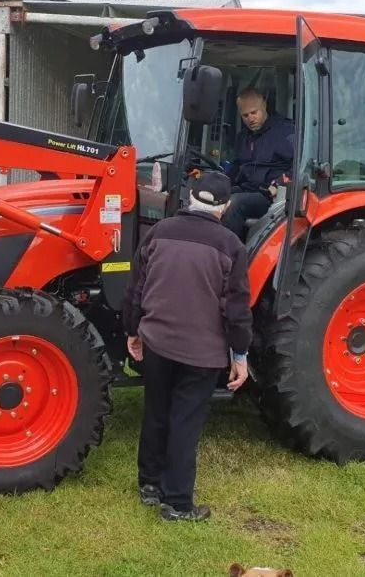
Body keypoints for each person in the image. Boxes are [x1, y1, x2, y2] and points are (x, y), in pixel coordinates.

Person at [122, 170, 253, 522]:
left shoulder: (158, 233)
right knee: (184, 422)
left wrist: (133, 332)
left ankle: (149, 484)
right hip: (201, 355)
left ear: (189, 197)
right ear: (225, 208)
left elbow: (136, 289)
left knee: (156, 411)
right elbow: (237, 311)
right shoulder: (232, 247)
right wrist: (239, 356)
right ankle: (177, 503)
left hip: (158, 344)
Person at [221, 89, 295, 239]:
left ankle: (228, 256)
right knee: (215, 198)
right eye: (245, 115)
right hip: (248, 189)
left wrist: (281, 183)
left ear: (264, 106)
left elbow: (302, 164)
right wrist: (217, 183)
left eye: (254, 113)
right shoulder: (244, 138)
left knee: (234, 203)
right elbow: (235, 167)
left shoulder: (287, 132)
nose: (250, 119)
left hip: (272, 196)